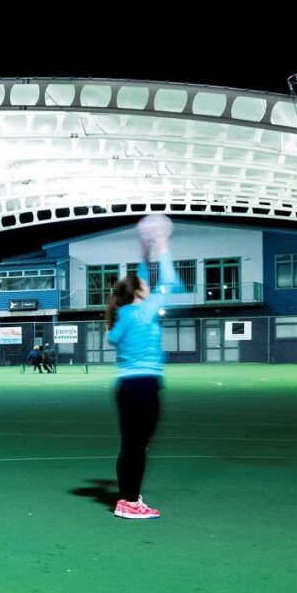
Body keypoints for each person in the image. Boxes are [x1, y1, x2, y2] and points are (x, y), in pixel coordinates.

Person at [106, 215, 184, 520]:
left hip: (126, 388)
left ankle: (128, 497)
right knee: (139, 446)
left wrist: (143, 253)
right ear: (139, 293)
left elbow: (139, 281)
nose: (149, 287)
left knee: (131, 445)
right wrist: (162, 245)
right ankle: (127, 502)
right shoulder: (144, 310)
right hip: (144, 387)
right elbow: (171, 283)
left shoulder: (124, 313)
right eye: (145, 286)